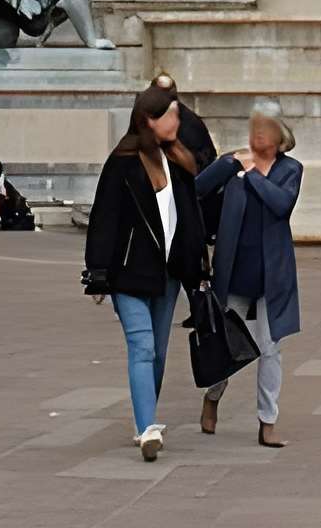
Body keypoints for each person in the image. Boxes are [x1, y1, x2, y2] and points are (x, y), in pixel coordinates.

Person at [83, 84, 204, 460]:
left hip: (167, 276)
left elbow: (189, 223)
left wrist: (199, 269)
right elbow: (104, 219)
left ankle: (144, 416)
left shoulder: (178, 162)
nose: (177, 120)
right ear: (148, 119)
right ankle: (147, 427)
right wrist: (98, 273)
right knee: (143, 346)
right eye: (170, 114)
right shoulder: (122, 162)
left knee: (159, 354)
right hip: (128, 273)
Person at [196, 103, 304, 447]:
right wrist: (229, 165)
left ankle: (267, 421)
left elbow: (281, 204)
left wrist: (253, 174)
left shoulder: (291, 169)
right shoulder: (233, 162)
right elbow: (197, 189)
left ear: (280, 135)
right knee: (225, 345)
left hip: (272, 276)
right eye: (254, 127)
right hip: (234, 271)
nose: (257, 134)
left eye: (265, 128)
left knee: (270, 349)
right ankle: (212, 398)